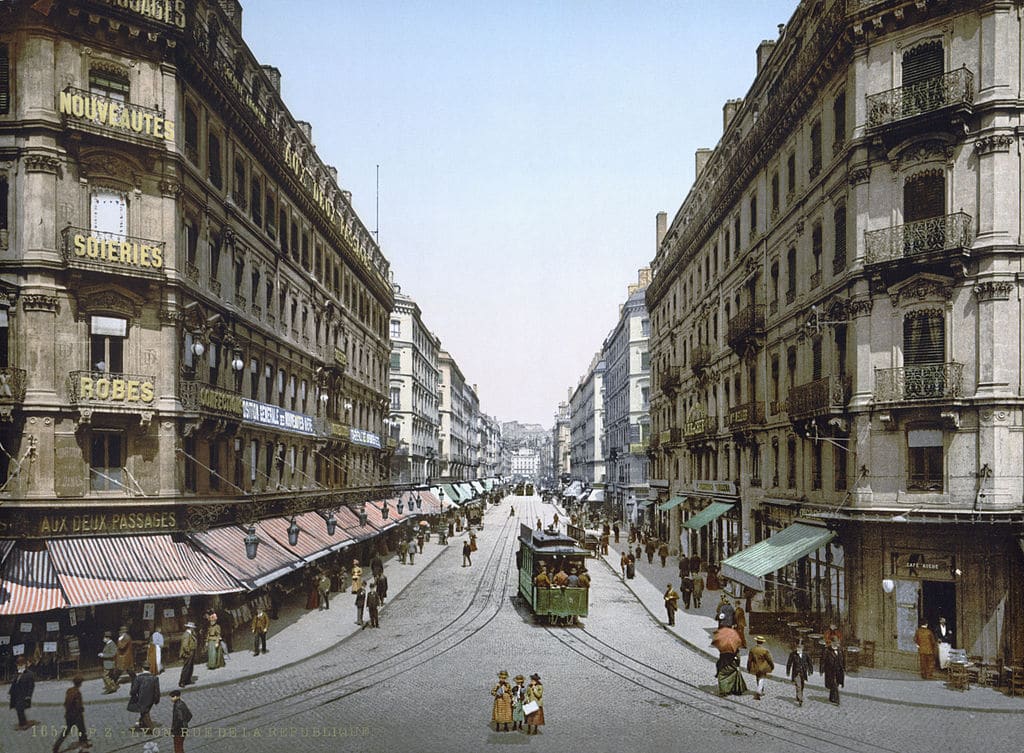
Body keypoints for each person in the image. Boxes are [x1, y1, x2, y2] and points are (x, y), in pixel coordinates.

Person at [52, 674, 90, 752]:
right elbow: (77, 704)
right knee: (81, 728)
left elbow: (66, 703)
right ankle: (84, 742)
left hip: (69, 715)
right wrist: (81, 709)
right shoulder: (77, 692)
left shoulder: (69, 690)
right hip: (76, 715)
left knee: (66, 731)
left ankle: (56, 746)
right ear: (79, 683)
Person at [127, 665, 160, 733]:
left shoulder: (139, 678)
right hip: (151, 699)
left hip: (141, 699)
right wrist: (156, 700)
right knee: (144, 712)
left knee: (145, 713)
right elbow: (157, 691)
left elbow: (134, 690)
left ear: (142, 669)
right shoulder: (155, 678)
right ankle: (142, 724)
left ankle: (152, 729)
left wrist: (132, 694)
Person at [9, 657, 36, 730]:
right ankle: (22, 722)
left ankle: (23, 723)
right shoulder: (17, 674)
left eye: (21, 665)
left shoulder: (29, 674)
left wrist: (28, 696)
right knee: (17, 708)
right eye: (18, 665)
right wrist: (11, 692)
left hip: (23, 694)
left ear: (25, 665)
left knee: (20, 708)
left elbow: (31, 686)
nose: (19, 666)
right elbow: (14, 683)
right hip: (16, 694)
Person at [746, 635, 775, 700]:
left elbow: (749, 660)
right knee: (761, 678)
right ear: (762, 642)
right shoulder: (765, 651)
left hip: (755, 667)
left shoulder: (752, 650)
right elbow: (769, 659)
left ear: (756, 641)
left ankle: (760, 690)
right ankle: (759, 691)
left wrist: (748, 667)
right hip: (763, 667)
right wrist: (772, 666)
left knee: (758, 678)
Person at [786, 642, 814, 707]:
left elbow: (810, 663)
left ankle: (798, 695)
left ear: (802, 648)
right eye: (797, 648)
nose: (798, 649)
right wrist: (788, 671)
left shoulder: (805, 655)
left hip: (803, 673)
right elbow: (789, 663)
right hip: (796, 673)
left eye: (800, 648)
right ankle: (800, 699)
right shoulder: (793, 654)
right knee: (798, 685)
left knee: (802, 685)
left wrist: (810, 670)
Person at [822, 638, 845, 704]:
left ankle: (831, 697)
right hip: (830, 670)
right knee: (834, 683)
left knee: (836, 683)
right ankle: (837, 699)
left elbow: (843, 659)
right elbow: (823, 660)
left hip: (839, 670)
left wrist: (844, 667)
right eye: (834, 642)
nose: (836, 644)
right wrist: (822, 669)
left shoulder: (840, 650)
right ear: (831, 642)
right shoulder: (827, 650)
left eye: (837, 642)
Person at [169, 689, 192, 753]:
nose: (171, 699)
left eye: (172, 697)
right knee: (180, 746)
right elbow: (190, 715)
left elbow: (179, 720)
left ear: (177, 696)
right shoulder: (182, 703)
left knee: (177, 747)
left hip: (178, 730)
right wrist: (185, 722)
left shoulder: (177, 706)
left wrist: (173, 730)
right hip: (184, 728)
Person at [178, 623, 197, 688]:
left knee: (190, 667)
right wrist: (189, 652)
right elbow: (185, 645)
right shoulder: (187, 635)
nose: (193, 629)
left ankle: (188, 680)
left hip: (191, 651)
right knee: (186, 667)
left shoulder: (190, 634)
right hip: (188, 653)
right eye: (193, 628)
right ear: (190, 628)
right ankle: (182, 682)